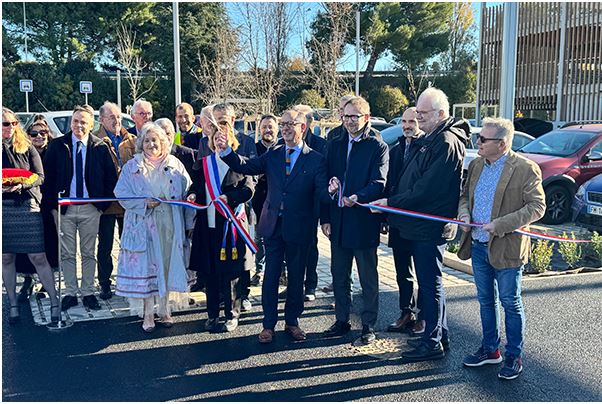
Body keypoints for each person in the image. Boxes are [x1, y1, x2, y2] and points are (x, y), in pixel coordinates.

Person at [370, 87, 469, 361]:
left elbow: (426, 189)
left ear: (440, 113)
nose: (418, 117)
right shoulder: (434, 138)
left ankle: (432, 341)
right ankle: (440, 334)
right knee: (431, 283)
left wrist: (391, 202)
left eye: (423, 113)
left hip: (429, 225)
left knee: (430, 285)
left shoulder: (446, 142)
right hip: (418, 223)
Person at [216, 108, 330, 344]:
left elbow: (321, 192)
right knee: (270, 276)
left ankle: (292, 322)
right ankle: (268, 325)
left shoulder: (316, 159)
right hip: (273, 226)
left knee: (297, 278)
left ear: (303, 127)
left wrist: (332, 192)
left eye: (291, 124)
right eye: (283, 123)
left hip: (300, 228)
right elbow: (247, 166)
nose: (286, 127)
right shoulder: (274, 154)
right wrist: (226, 151)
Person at [457, 117, 545, 380]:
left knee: (510, 302)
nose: (477, 142)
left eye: (483, 139)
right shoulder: (475, 165)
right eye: (478, 137)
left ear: (502, 144)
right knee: (486, 301)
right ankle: (490, 349)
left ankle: (513, 355)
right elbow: (464, 196)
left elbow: (537, 207)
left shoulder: (526, 168)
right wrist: (463, 215)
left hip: (506, 247)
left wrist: (501, 224)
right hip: (478, 245)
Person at [322, 96, 389, 344]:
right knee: (339, 275)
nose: (349, 121)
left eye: (354, 116)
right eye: (346, 116)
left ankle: (368, 325)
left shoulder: (377, 146)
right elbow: (326, 177)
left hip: (363, 221)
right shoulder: (335, 142)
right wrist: (325, 216)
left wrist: (358, 197)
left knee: (367, 278)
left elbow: (380, 183)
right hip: (338, 221)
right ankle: (342, 320)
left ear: (366, 118)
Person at [114, 122, 193, 332]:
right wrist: (142, 203)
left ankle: (165, 310)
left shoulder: (175, 164)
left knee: (166, 264)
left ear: (164, 143)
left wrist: (191, 197)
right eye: (147, 141)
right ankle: (148, 313)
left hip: (169, 222)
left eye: (155, 141)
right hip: (143, 224)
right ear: (141, 143)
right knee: (147, 267)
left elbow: (188, 189)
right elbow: (120, 193)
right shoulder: (133, 166)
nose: (151, 145)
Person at [43, 105, 118, 312]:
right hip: (64, 209)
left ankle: (87, 292)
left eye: (83, 122)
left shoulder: (100, 147)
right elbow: (47, 180)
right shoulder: (58, 146)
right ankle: (70, 292)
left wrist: (100, 207)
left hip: (90, 209)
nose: (79, 125)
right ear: (71, 122)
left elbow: (110, 179)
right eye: (75, 121)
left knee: (88, 252)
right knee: (66, 253)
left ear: (91, 124)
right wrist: (53, 208)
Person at [187, 118, 255, 333]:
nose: (219, 141)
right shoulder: (204, 164)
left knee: (230, 274)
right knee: (210, 272)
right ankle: (212, 314)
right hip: (207, 227)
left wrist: (229, 197)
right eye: (216, 138)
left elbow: (248, 190)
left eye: (223, 138)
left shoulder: (240, 163)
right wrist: (192, 194)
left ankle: (232, 315)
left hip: (230, 227)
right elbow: (196, 186)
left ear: (231, 141)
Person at [2, 107, 60, 324]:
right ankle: (13, 305)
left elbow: (40, 176)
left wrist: (22, 184)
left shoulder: (26, 146)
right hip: (3, 210)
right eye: (6, 124)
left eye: (14, 123)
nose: (10, 128)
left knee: (38, 256)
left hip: (27, 206)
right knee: (6, 258)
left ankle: (55, 302)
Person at [383, 107, 425, 333]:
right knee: (402, 271)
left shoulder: (426, 147)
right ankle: (405, 312)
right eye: (405, 121)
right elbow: (390, 183)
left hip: (418, 220)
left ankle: (423, 316)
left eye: (412, 121)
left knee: (422, 273)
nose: (408, 125)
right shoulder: (397, 149)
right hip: (398, 220)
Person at [94, 101, 137, 300]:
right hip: (107, 203)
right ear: (102, 120)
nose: (117, 121)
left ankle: (128, 279)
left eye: (119, 117)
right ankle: (104, 282)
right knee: (105, 245)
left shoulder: (130, 139)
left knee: (129, 243)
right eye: (112, 117)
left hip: (128, 203)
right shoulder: (95, 140)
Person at [16, 119, 57, 300]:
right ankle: (27, 279)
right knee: (25, 247)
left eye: (43, 133)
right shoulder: (22, 152)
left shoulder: (55, 152)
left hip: (49, 206)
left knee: (48, 244)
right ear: (28, 135)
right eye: (34, 133)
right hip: (28, 204)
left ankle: (46, 283)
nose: (39, 136)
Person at [291, 105, 328, 302]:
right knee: (291, 247)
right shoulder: (284, 144)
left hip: (311, 205)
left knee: (310, 245)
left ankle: (310, 285)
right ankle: (292, 283)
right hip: (290, 207)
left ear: (307, 124)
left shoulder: (321, 145)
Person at [250, 114, 279, 287]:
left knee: (280, 236)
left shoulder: (284, 147)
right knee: (259, 236)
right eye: (264, 127)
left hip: (280, 200)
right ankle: (259, 270)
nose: (267, 130)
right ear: (259, 129)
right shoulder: (254, 149)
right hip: (259, 199)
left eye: (271, 127)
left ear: (277, 129)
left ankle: (281, 271)